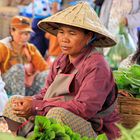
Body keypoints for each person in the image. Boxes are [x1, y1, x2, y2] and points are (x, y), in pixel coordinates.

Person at [3, 2, 120, 139]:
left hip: (94, 129)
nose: (64, 39)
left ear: (89, 36)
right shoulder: (61, 60)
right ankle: (27, 136)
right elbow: (46, 93)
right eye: (61, 32)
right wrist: (31, 101)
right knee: (14, 102)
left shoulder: (97, 65)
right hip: (56, 115)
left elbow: (84, 109)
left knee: (57, 114)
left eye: (72, 33)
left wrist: (36, 106)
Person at [0, 15, 49, 96]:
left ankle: (35, 101)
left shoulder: (31, 48)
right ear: (12, 31)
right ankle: (19, 101)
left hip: (26, 86)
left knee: (47, 74)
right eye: (21, 33)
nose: (24, 37)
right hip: (6, 87)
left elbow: (44, 68)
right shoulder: (2, 46)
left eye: (27, 33)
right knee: (18, 68)